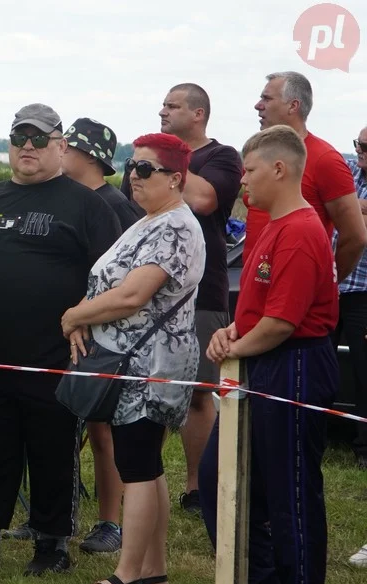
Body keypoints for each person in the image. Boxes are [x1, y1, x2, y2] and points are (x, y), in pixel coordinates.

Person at [0, 104, 120, 577]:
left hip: (56, 355)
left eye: (40, 138)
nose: (28, 146)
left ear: (61, 146)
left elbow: (109, 278)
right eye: (19, 137)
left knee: (52, 451)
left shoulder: (88, 205)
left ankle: (52, 545)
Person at [199, 125, 339, 584]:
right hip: (262, 358)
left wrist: (233, 348)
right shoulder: (273, 226)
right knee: (222, 476)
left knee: (290, 488)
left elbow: (283, 323)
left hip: (294, 364)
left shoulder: (301, 230)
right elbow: (259, 311)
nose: (243, 185)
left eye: (250, 172)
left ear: (280, 169)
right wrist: (230, 334)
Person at [62, 134, 205, 584]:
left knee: (138, 466)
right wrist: (83, 317)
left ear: (176, 179)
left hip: (152, 365)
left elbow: (132, 295)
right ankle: (153, 573)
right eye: (131, 166)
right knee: (144, 464)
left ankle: (126, 578)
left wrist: (73, 316)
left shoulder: (176, 228)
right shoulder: (148, 220)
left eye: (145, 170)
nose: (133, 176)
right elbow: (107, 280)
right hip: (130, 361)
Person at [120, 83, 245, 517]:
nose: (162, 111)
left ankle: (196, 487)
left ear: (198, 113)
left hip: (201, 291)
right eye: (161, 105)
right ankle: (142, 474)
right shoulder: (144, 159)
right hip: (145, 289)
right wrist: (149, 162)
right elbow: (129, 208)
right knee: (141, 387)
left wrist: (170, 161)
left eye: (172, 106)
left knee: (197, 393)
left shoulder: (222, 157)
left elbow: (206, 200)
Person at [61, 117, 139, 555]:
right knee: (68, 423)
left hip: (101, 336)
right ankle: (56, 515)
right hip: (70, 327)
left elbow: (125, 282)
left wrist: (88, 319)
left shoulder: (113, 207)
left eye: (65, 147)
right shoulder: (68, 199)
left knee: (102, 426)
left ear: (86, 155)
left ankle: (110, 521)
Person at [245, 72, 363, 281]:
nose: (258, 105)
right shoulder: (260, 153)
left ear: (293, 106)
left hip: (294, 294)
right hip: (254, 286)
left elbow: (355, 236)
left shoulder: (325, 159)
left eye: (267, 98)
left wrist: (324, 283)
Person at [338, 127, 367, 478]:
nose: (360, 152)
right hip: (331, 287)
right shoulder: (345, 169)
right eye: (358, 144)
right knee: (317, 362)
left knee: (363, 374)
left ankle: (364, 447)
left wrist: (346, 206)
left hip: (362, 292)